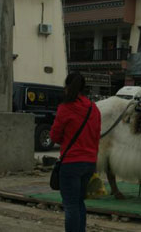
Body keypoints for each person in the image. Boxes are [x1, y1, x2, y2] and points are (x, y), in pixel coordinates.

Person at [50, 72, 101, 232]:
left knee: (71, 206)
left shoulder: (65, 108)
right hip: (90, 163)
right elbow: (96, 135)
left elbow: (54, 136)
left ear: (67, 87)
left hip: (71, 163)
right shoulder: (94, 108)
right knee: (79, 203)